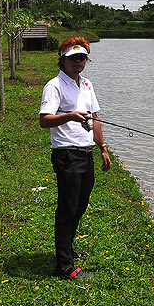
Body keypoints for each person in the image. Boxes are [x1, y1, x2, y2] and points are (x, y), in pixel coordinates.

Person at [39, 37, 112, 280]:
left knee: (80, 206)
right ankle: (64, 267)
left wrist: (102, 147)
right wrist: (69, 116)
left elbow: (95, 118)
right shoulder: (54, 86)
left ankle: (66, 252)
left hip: (86, 152)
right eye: (73, 58)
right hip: (66, 154)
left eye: (82, 58)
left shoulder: (87, 84)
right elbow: (44, 120)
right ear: (62, 60)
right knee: (67, 209)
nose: (78, 62)